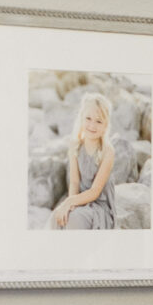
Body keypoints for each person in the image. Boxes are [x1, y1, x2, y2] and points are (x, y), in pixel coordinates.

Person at [51, 91, 117, 229]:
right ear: (81, 118)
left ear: (106, 125)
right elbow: (74, 182)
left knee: (75, 219)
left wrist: (70, 202)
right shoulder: (75, 146)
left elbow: (95, 192)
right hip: (79, 199)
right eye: (88, 118)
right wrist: (70, 205)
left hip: (99, 204)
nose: (92, 125)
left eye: (99, 121)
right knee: (57, 217)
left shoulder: (107, 151)